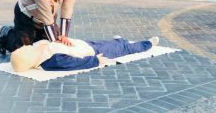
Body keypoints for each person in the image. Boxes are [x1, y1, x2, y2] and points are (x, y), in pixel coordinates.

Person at [11, 36, 160, 72]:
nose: (25, 47)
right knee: (125, 49)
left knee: (111, 43)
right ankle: (148, 44)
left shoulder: (38, 48)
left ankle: (120, 40)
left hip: (84, 44)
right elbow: (74, 64)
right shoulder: (50, 61)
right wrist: (96, 61)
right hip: (93, 52)